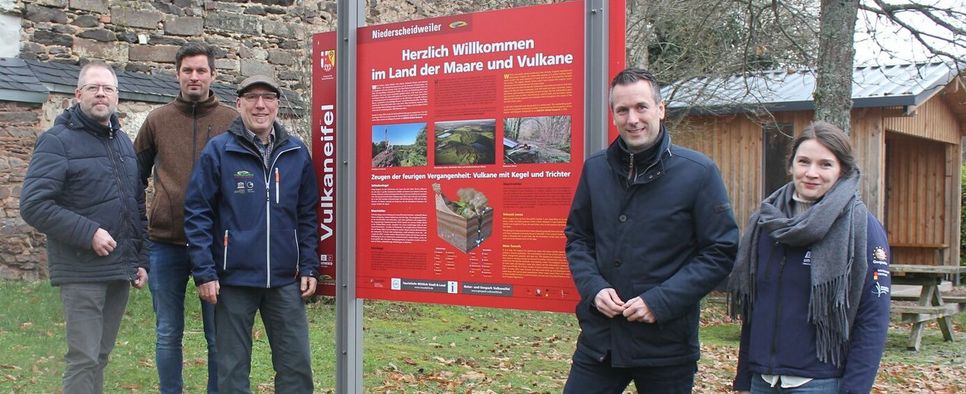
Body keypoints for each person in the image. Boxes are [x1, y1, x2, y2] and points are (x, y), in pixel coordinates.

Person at [564, 67, 739, 393]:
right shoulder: (596, 170)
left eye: (641, 107)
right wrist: (594, 288)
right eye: (623, 110)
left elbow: (720, 251)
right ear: (613, 115)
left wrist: (660, 302)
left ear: (660, 109)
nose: (633, 118)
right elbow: (579, 238)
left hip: (667, 347)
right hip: (602, 341)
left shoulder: (698, 173)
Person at [730, 121, 891, 393]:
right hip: (762, 381)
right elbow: (755, 308)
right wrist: (744, 378)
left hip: (821, 383)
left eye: (825, 164)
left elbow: (873, 319)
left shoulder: (861, 228)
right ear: (790, 165)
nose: (811, 173)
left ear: (843, 170)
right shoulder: (765, 224)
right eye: (804, 161)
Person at [184, 75, 319, 393]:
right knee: (231, 370)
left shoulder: (296, 152)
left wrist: (309, 265)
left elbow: (308, 214)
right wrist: (204, 272)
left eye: (269, 97)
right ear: (239, 103)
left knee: (296, 367)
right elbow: (197, 213)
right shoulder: (219, 151)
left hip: (285, 280)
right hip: (233, 281)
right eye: (252, 97)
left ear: (277, 105)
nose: (261, 104)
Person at [20, 61, 149, 393]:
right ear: (78, 94)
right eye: (93, 88)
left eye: (108, 88)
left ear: (117, 96)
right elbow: (34, 205)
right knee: (83, 358)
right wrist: (88, 232)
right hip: (81, 271)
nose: (101, 94)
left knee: (100, 356)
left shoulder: (123, 144)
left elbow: (135, 205)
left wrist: (140, 260)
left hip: (118, 270)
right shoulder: (56, 141)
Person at [134, 41, 237, 394]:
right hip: (166, 243)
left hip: (217, 246)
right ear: (177, 74)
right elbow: (135, 178)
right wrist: (139, 235)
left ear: (213, 75)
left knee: (218, 335)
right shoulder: (156, 120)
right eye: (187, 70)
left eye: (201, 70)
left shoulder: (232, 122)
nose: (194, 76)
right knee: (167, 333)